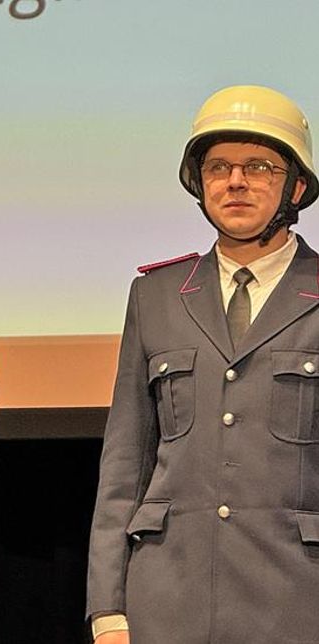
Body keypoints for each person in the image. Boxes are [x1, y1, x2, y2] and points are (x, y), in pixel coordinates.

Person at [87, 85, 319, 643]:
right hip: (166, 600)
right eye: (218, 167)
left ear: (297, 185)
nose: (235, 181)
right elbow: (125, 463)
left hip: (297, 599)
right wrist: (107, 608)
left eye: (258, 166)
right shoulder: (157, 294)